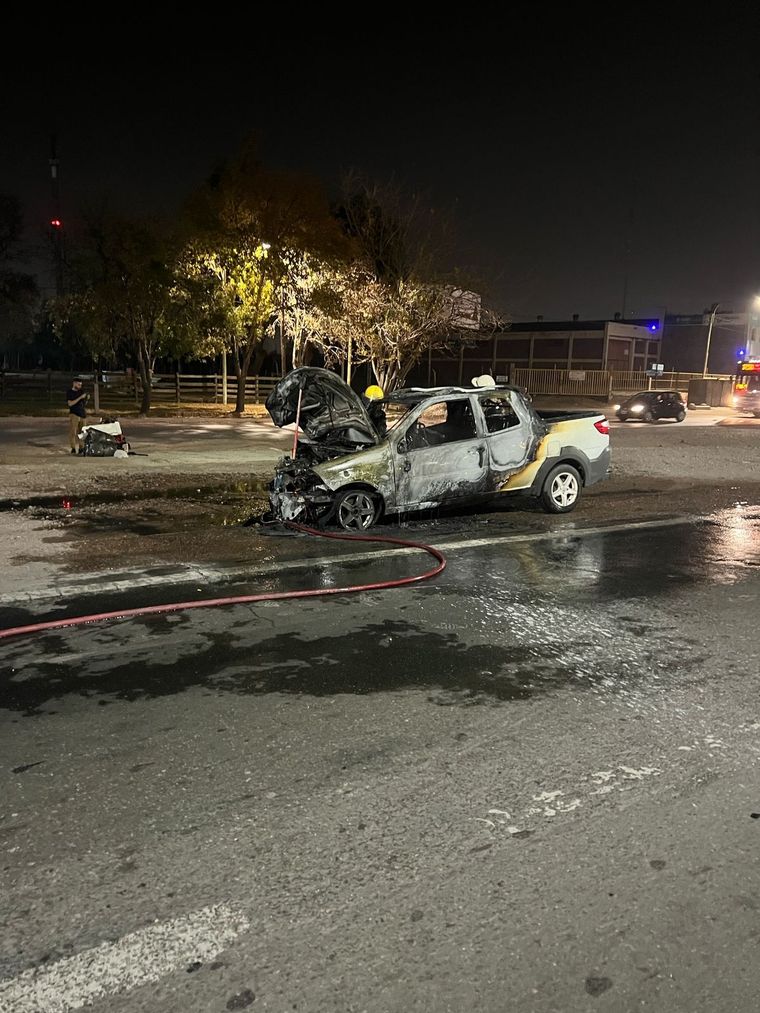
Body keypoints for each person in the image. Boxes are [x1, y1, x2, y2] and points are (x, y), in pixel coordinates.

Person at [66, 378, 89, 454]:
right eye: (78, 384)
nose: (80, 386)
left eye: (81, 385)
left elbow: (84, 404)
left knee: (82, 432)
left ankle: (81, 447)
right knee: (73, 432)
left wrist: (86, 398)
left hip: (82, 414)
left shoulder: (81, 391)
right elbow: (70, 404)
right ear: (74, 383)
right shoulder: (70, 392)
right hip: (74, 414)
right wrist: (80, 398)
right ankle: (73, 448)